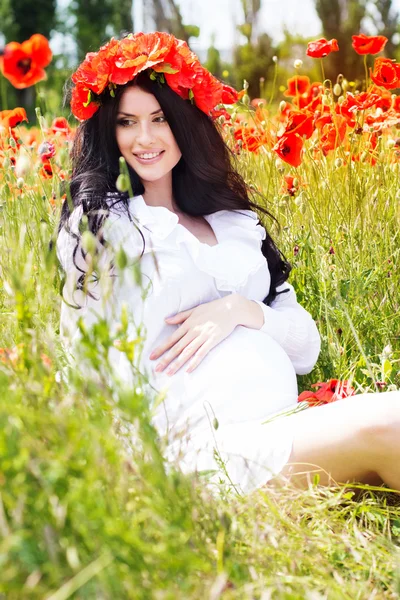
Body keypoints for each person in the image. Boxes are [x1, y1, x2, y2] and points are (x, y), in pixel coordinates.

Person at [56, 32, 400, 495]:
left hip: (274, 429)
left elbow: (305, 348)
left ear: (185, 122)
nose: (144, 138)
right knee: (390, 422)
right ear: (109, 131)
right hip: (198, 458)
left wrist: (241, 309)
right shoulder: (103, 227)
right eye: (127, 122)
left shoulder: (231, 221)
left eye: (159, 118)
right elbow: (87, 363)